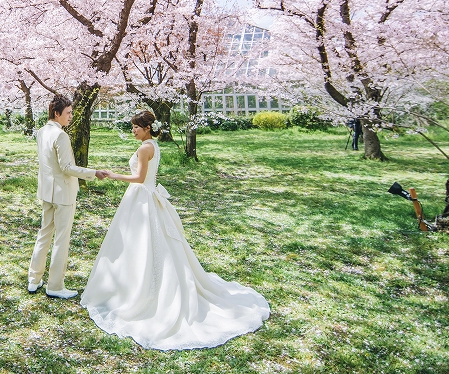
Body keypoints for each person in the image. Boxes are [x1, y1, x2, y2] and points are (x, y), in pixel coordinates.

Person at [80, 110, 270, 350]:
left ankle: (139, 289)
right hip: (146, 198)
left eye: (136, 127)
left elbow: (139, 178)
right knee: (146, 243)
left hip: (142, 199)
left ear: (147, 128)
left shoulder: (144, 148)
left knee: (141, 243)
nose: (133, 131)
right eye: (132, 127)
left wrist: (114, 175)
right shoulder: (153, 145)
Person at [28, 95, 109, 299]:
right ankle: (55, 286)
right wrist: (93, 173)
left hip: (47, 191)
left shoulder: (41, 131)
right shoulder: (60, 135)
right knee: (61, 240)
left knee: (44, 234)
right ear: (57, 114)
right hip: (62, 193)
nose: (71, 117)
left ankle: (34, 279)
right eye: (68, 113)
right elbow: (66, 167)